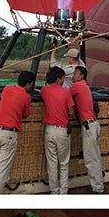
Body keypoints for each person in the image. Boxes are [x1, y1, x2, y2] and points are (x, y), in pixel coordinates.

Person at [0, 70, 37, 195]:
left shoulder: (7, 89)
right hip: (9, 134)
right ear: (28, 84)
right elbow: (25, 114)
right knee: (3, 170)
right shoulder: (26, 97)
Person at [38, 65, 74, 196]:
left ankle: (54, 192)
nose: (64, 81)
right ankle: (63, 192)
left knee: (52, 163)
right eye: (63, 78)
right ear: (59, 79)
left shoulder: (44, 90)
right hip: (62, 131)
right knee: (63, 163)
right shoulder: (66, 92)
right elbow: (71, 112)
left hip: (49, 130)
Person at [71, 65, 104, 194]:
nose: (73, 76)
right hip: (93, 124)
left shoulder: (77, 86)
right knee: (96, 157)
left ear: (81, 76)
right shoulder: (85, 86)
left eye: (75, 74)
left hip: (88, 127)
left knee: (91, 160)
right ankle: (98, 185)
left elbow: (63, 94)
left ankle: (97, 189)